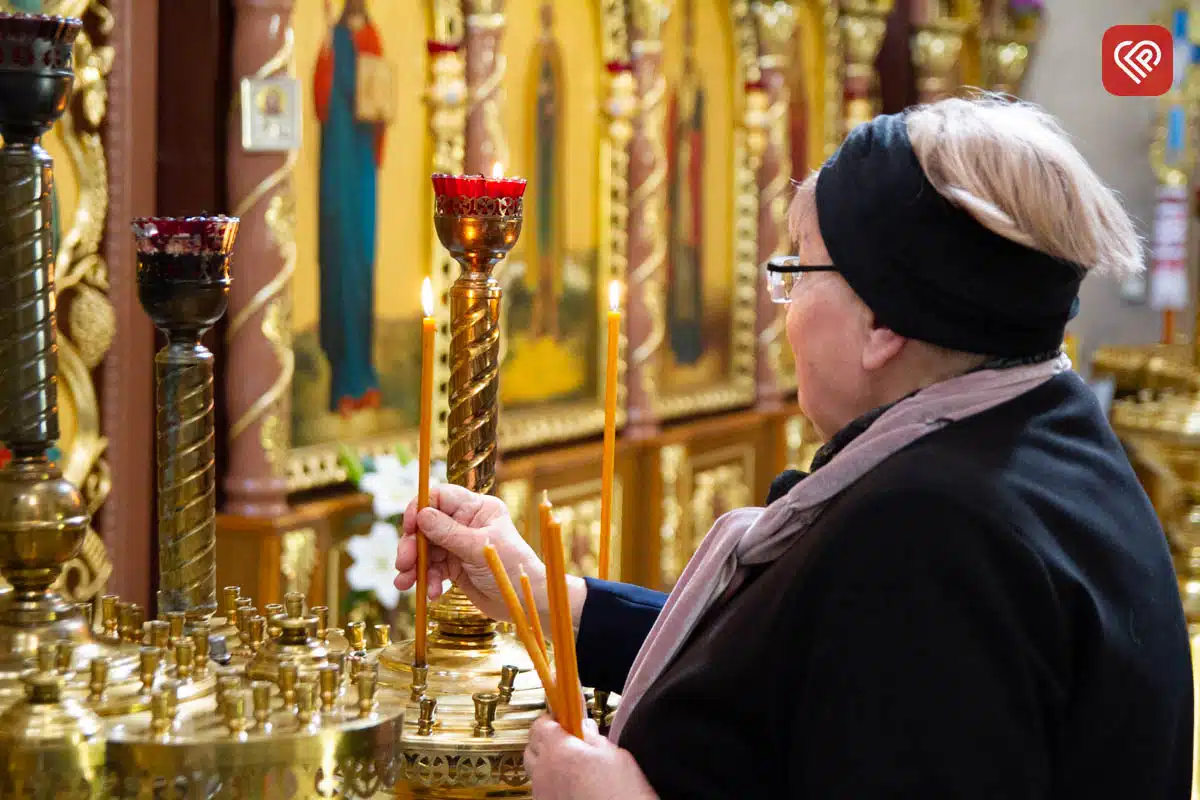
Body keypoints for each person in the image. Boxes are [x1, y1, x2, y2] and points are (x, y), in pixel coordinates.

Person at [395, 96, 1194, 798]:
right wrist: (548, 599)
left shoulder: (936, 532)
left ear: (883, 322)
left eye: (798, 270)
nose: (784, 312)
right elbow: (806, 671)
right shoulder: (1035, 439)